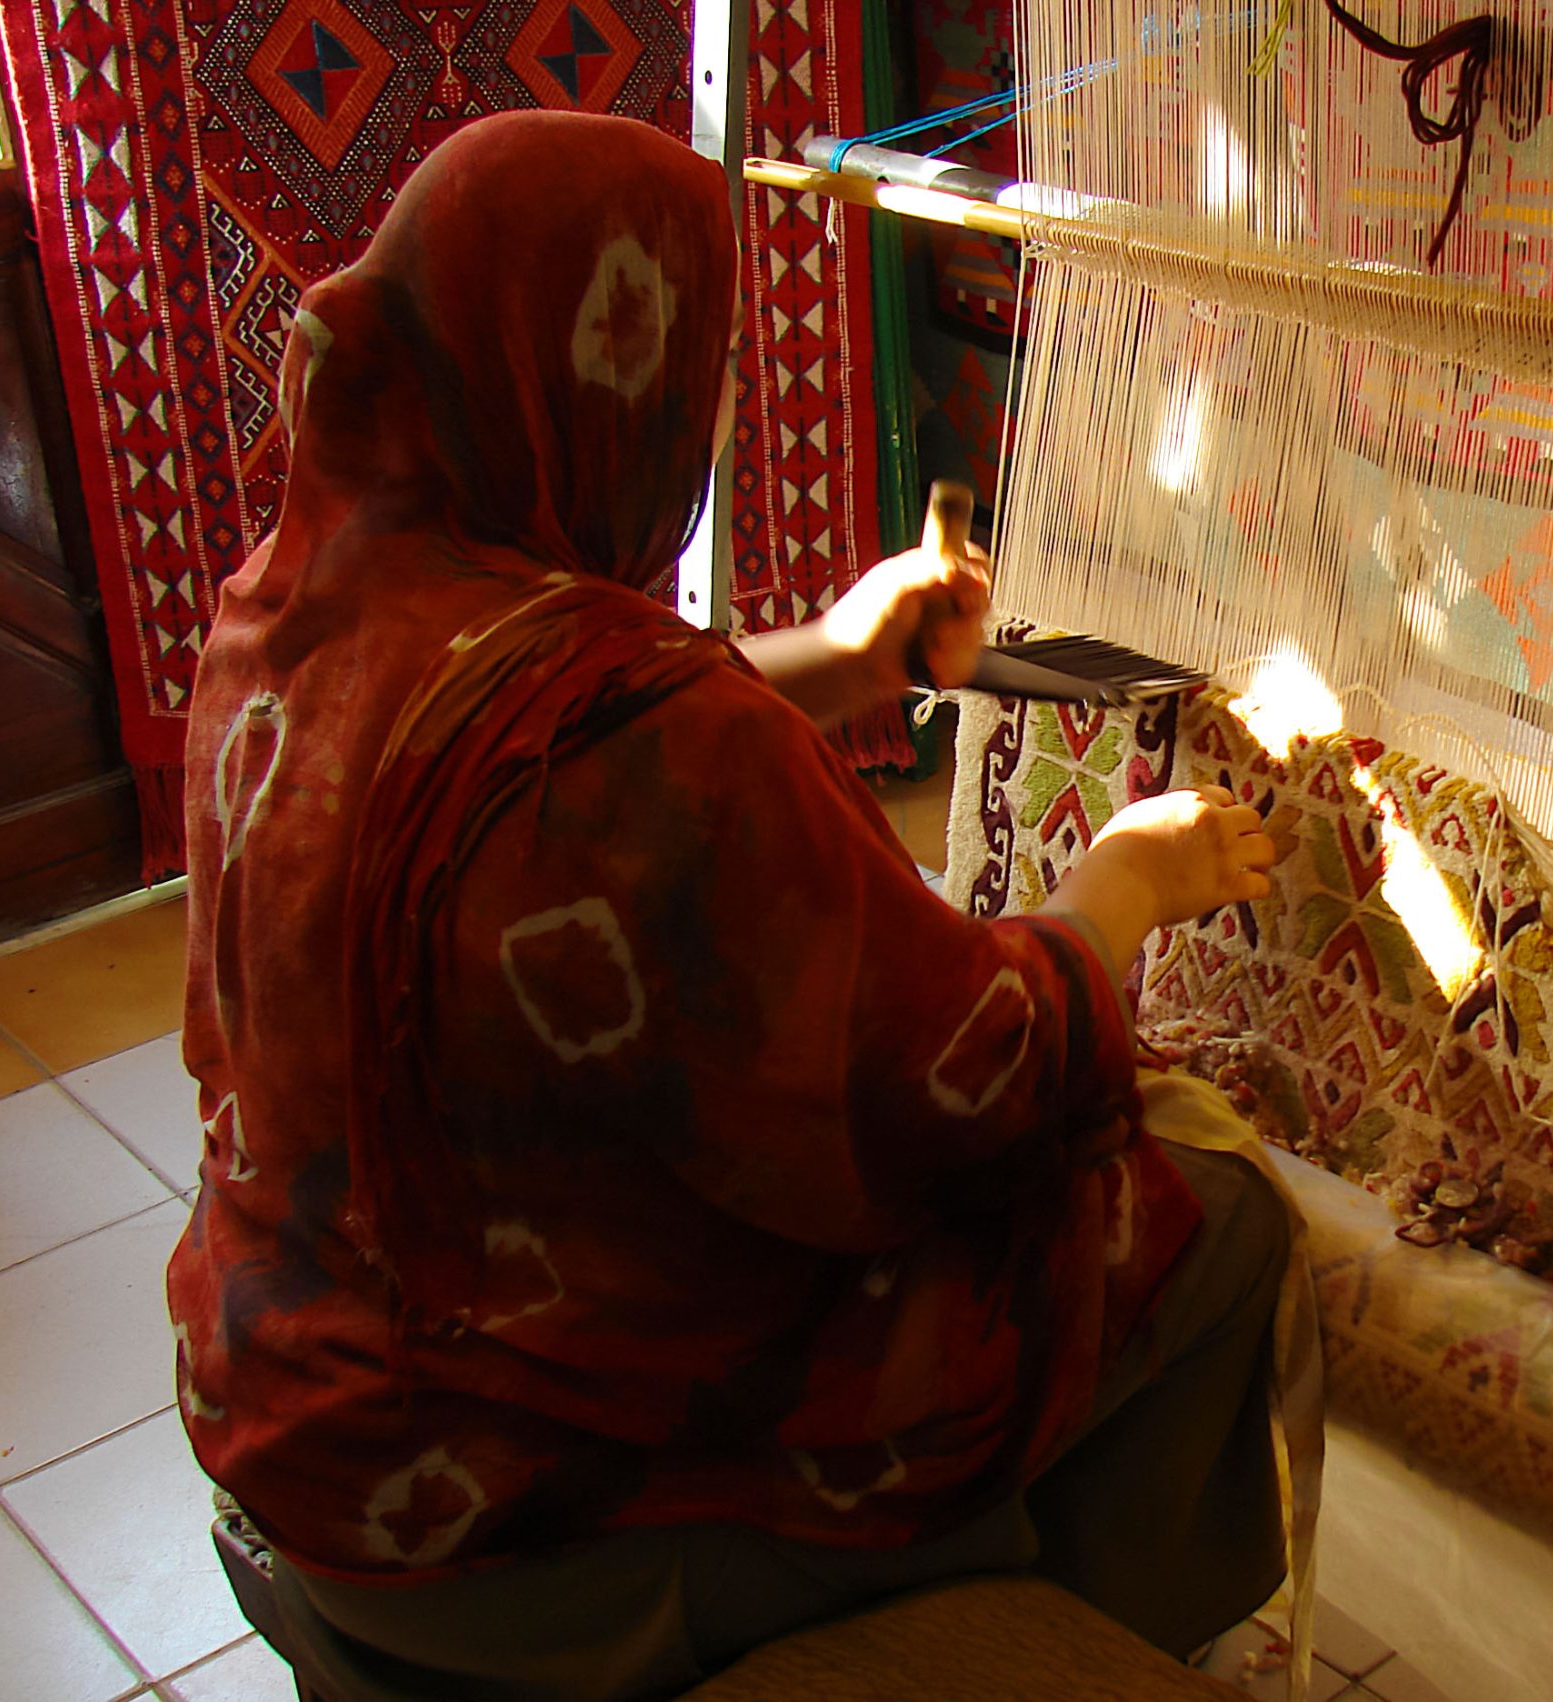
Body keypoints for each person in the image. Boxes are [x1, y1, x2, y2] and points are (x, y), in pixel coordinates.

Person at [166, 109, 1289, 1698]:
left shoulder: (287, 618)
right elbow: (967, 1075)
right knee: (1201, 1210)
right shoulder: (645, 745)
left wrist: (841, 653)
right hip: (526, 1531)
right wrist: (1130, 879)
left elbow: (519, 779)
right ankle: (1026, 1641)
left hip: (286, 1421)